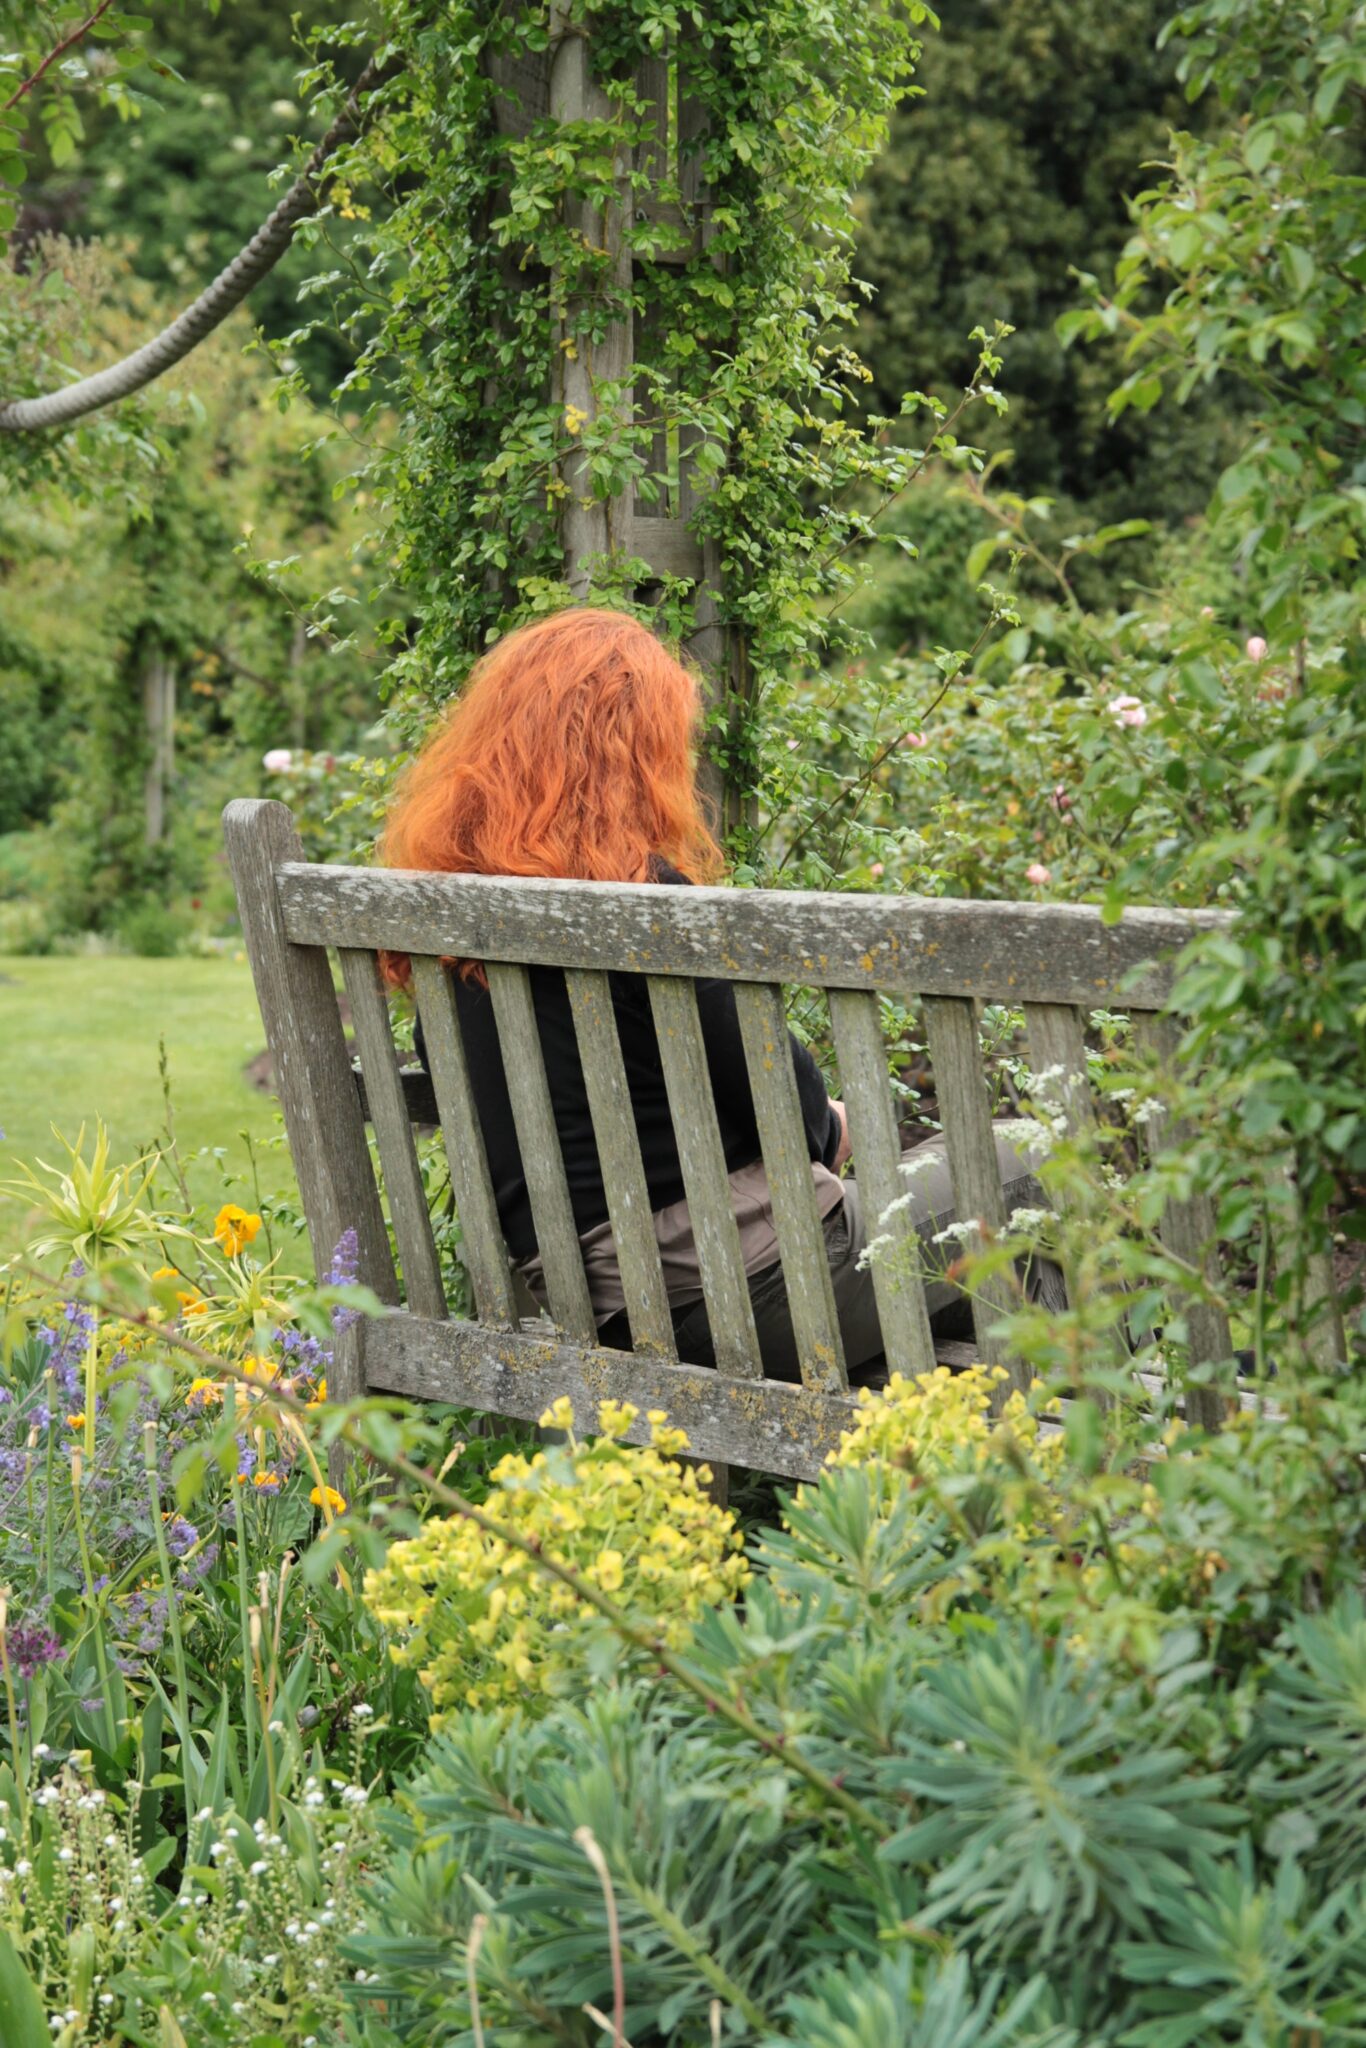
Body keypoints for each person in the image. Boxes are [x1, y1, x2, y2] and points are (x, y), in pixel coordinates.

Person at [381, 606, 1058, 1381]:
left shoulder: (441, 922)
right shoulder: (643, 905)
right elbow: (795, 1117)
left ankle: (974, 1415)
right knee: (1034, 1156)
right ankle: (1095, 1444)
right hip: (762, 1297)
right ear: (634, 754)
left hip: (605, 1313)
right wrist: (832, 1120)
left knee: (966, 1237)